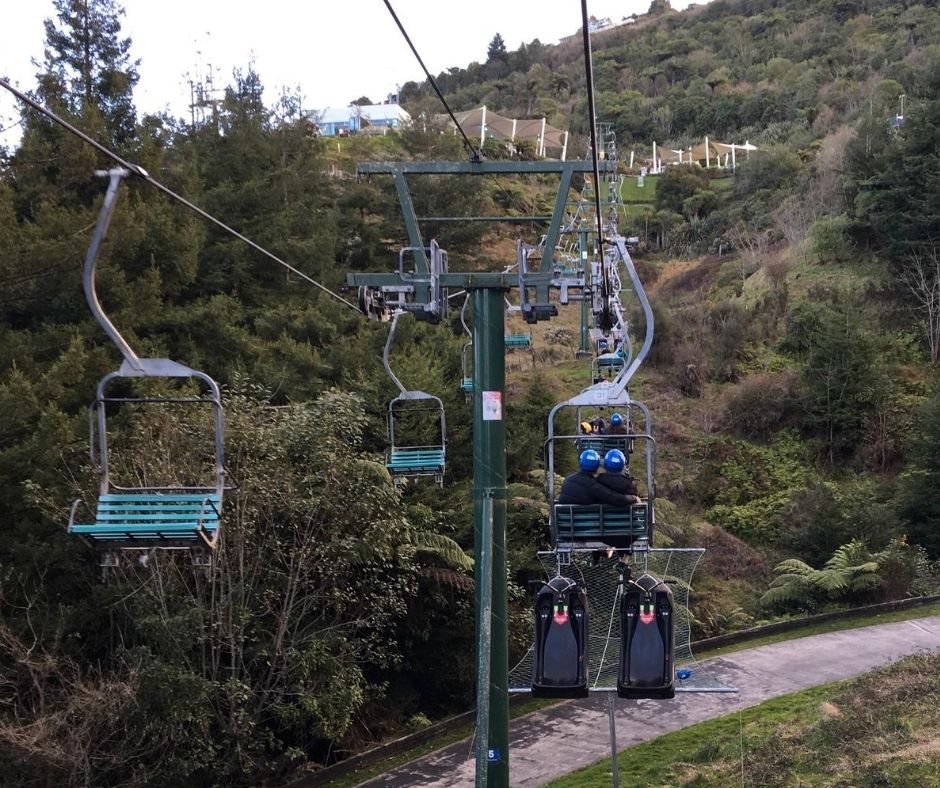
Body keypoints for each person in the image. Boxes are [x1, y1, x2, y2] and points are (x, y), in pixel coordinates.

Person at [558, 450, 635, 507]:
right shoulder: (593, 485)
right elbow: (616, 499)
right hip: (587, 525)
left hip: (567, 525)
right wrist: (633, 498)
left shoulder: (567, 481)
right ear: (597, 466)